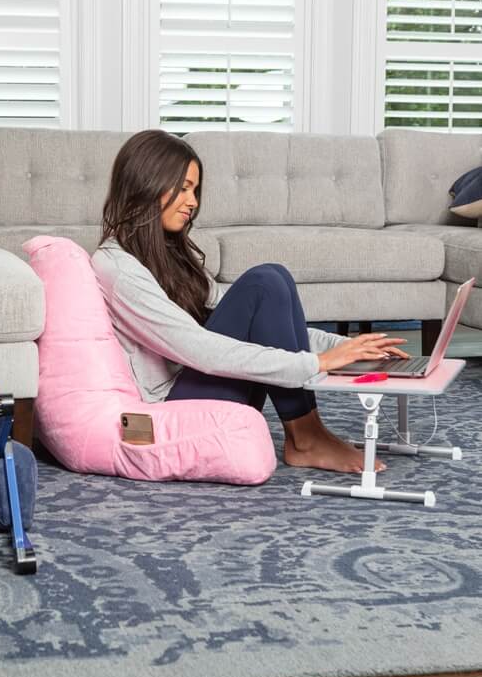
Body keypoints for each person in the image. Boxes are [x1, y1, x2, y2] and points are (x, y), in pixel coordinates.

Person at [92, 129, 410, 474]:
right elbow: (198, 350)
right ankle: (306, 438)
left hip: (201, 386)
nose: (193, 202)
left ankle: (309, 435)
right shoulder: (117, 268)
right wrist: (316, 363)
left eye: (195, 190)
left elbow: (267, 325)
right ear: (146, 183)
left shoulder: (169, 254)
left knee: (273, 278)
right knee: (264, 282)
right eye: (183, 188)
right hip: (171, 408)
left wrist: (348, 348)